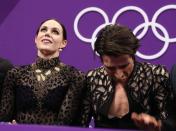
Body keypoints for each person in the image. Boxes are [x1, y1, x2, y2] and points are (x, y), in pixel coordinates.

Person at [80, 24, 171, 131]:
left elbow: (170, 121)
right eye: (111, 68)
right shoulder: (92, 79)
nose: (119, 73)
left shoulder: (156, 75)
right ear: (102, 61)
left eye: (124, 66)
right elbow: (80, 125)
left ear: (133, 56)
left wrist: (157, 125)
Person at [0, 19, 85, 126]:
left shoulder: (74, 76)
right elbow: (3, 120)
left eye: (55, 32)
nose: (47, 33)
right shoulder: (15, 74)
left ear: (63, 43)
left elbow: (64, 124)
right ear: (36, 39)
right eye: (43, 30)